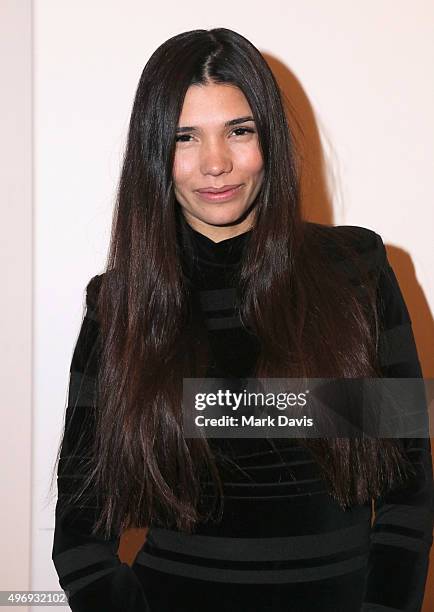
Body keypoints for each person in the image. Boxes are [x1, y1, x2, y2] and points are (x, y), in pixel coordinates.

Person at [51, 27, 434, 611]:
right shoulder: (120, 308)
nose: (216, 163)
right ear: (154, 153)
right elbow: (81, 540)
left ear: (269, 140)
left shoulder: (355, 273)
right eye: (185, 137)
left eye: (239, 130)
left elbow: (407, 495)